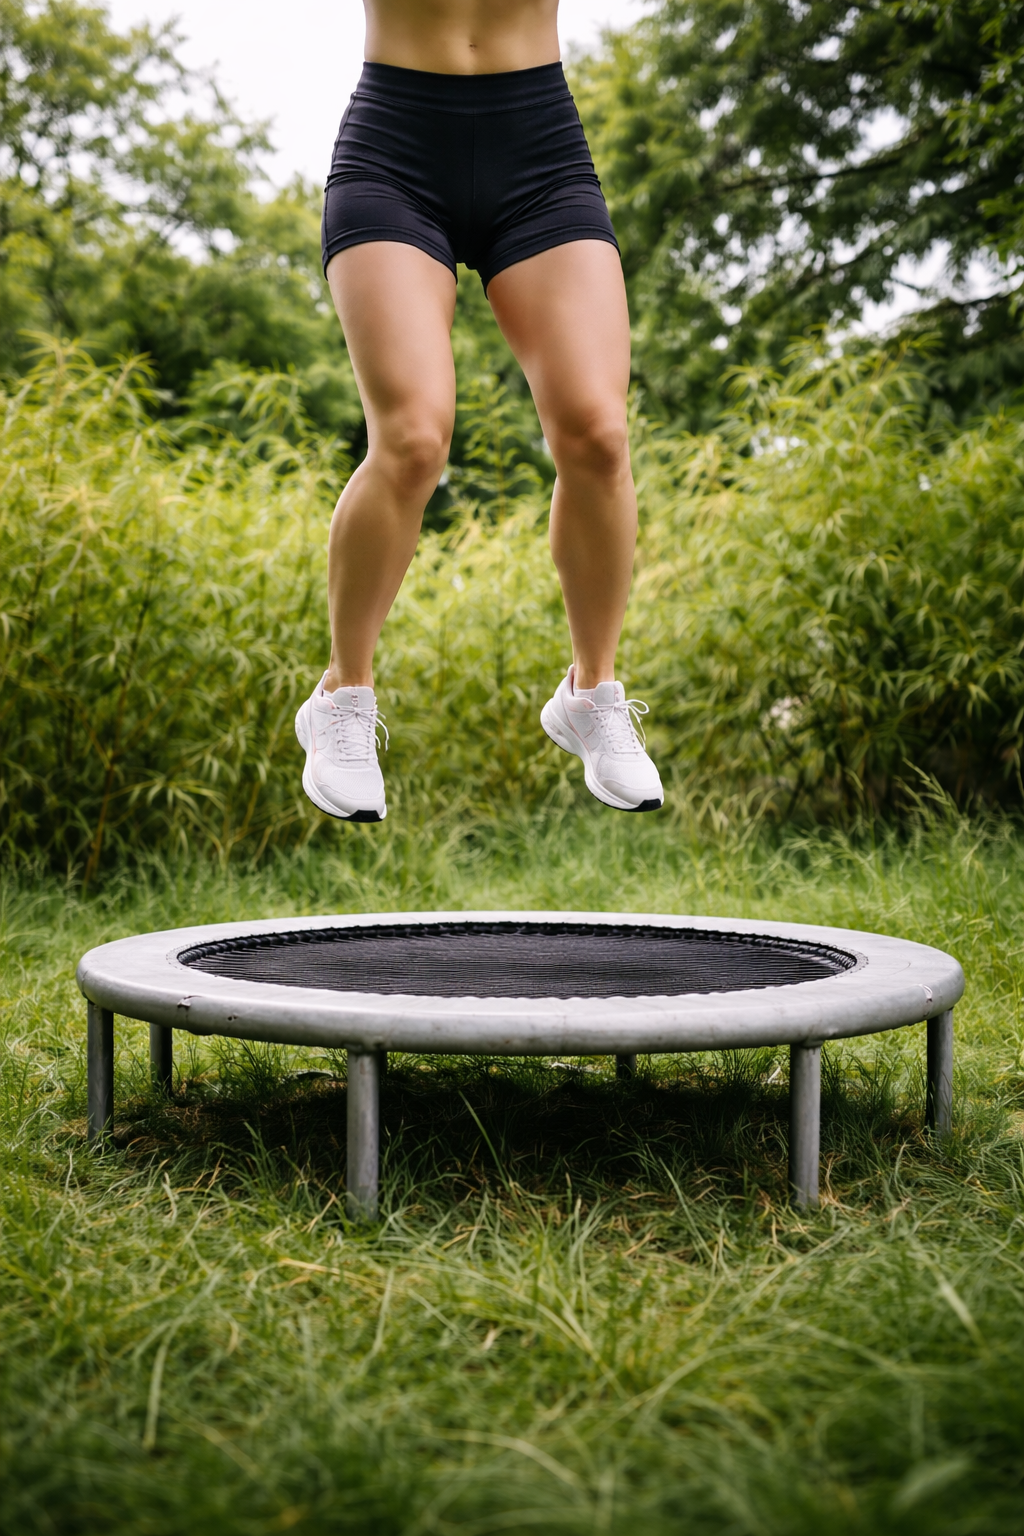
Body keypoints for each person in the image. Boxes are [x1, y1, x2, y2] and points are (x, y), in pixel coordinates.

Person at [295, 0, 663, 822]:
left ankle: (590, 691)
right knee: (414, 439)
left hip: (539, 148)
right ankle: (342, 698)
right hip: (395, 149)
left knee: (599, 435)